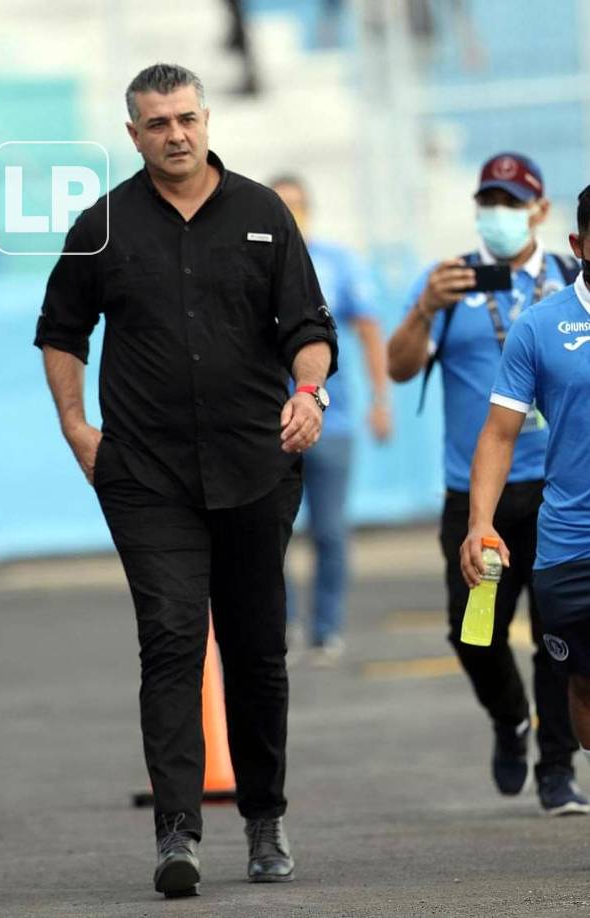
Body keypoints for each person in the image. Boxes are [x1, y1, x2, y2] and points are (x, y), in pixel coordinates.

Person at [34, 63, 337, 898]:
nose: (176, 134)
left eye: (187, 118)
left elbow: (310, 328)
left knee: (256, 650)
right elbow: (61, 331)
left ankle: (265, 817)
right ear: (132, 134)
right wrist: (76, 429)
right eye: (158, 123)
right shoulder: (101, 225)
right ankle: (178, 833)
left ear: (207, 119)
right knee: (170, 639)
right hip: (145, 475)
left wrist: (309, 393)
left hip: (256, 467)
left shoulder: (264, 214)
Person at [387, 152, 586, 814]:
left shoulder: (570, 280)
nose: (496, 213)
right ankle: (510, 718)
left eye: (510, 200)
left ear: (541, 211)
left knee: (560, 637)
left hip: (556, 493)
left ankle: (555, 771)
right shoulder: (449, 282)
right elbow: (398, 368)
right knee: (473, 631)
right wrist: (422, 308)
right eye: (487, 200)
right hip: (479, 497)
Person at [461, 184, 590, 813]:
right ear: (579, 245)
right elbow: (499, 433)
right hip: (569, 540)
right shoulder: (539, 328)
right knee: (581, 686)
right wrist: (478, 522)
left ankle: (558, 772)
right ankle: (535, 736)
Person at [270, 176, 391, 665]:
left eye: (297, 205)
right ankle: (277, 626)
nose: (291, 215)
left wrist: (381, 398)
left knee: (330, 529)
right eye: (282, 207)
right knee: (266, 530)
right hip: (270, 425)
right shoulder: (251, 263)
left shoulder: (339, 263)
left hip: (332, 422)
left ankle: (325, 628)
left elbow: (368, 329)